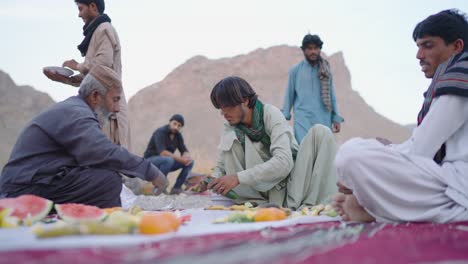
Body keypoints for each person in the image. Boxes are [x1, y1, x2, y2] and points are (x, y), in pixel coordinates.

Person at [333, 9, 468, 223]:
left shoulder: (461, 75)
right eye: (418, 47)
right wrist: (387, 151)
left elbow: (420, 150)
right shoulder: (452, 77)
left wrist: (363, 175)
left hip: (460, 190)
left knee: (351, 155)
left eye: (428, 45)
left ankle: (376, 209)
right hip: (453, 184)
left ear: (456, 47)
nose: (419, 55)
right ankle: (378, 208)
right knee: (365, 150)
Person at [0, 65, 168, 208]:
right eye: (115, 100)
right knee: (108, 182)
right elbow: (102, 152)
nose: (117, 108)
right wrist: (149, 170)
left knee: (103, 175)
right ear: (95, 96)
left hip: (32, 182)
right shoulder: (77, 113)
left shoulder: (75, 108)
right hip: (20, 190)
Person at [206, 76, 338, 210]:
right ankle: (257, 201)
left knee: (321, 132)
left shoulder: (270, 114)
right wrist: (213, 178)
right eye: (221, 108)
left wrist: (238, 178)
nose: (223, 113)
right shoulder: (231, 126)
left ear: (244, 100)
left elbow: (284, 162)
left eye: (227, 106)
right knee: (231, 140)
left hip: (292, 184)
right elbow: (223, 160)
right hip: (260, 192)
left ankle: (311, 203)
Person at [43, 0, 131, 150]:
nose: (79, 14)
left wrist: (76, 65)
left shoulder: (104, 28)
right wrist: (67, 79)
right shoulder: (96, 33)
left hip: (111, 106)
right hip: (99, 106)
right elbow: (94, 77)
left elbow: (103, 65)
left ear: (93, 7)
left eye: (80, 8)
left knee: (113, 157)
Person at [281, 34, 344, 143]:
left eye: (316, 48)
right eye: (309, 49)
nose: (313, 52)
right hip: (302, 119)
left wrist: (336, 118)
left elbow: (332, 95)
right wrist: (284, 117)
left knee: (323, 152)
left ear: (320, 49)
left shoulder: (325, 71)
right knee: (303, 150)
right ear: (304, 50)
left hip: (323, 117)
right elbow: (289, 95)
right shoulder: (295, 70)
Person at [143, 115, 194, 195]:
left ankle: (176, 188)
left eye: (179, 126)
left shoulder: (178, 136)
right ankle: (159, 188)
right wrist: (181, 160)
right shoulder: (160, 132)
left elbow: (184, 150)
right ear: (170, 122)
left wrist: (186, 157)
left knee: (190, 162)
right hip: (150, 162)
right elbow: (163, 152)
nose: (176, 127)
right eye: (175, 124)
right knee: (168, 160)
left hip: (166, 163)